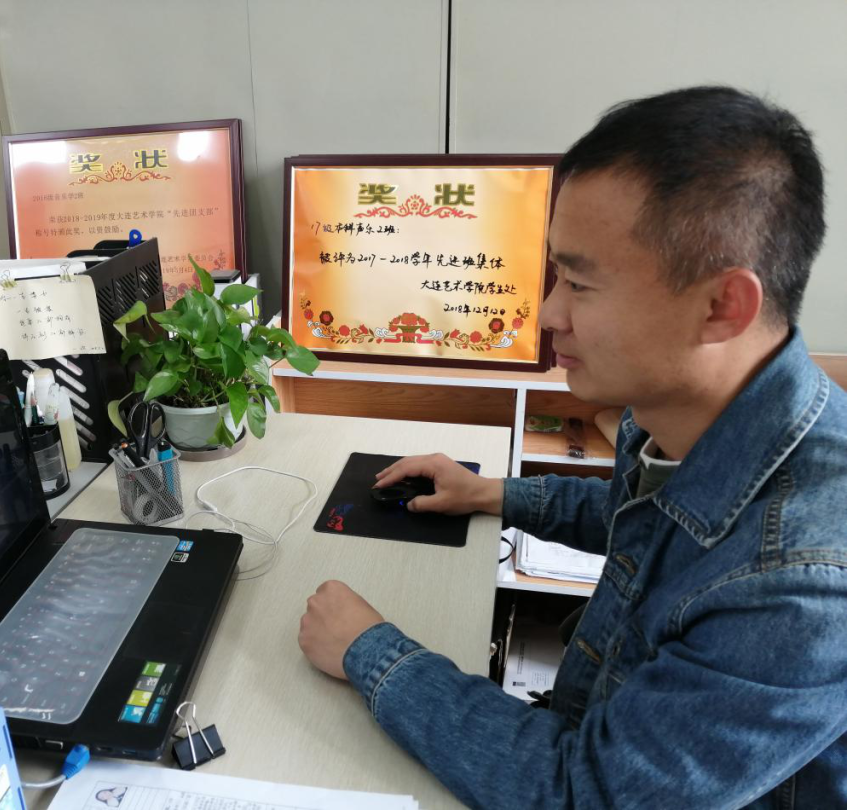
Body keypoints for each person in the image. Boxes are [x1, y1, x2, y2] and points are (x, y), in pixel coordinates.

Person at [297, 86, 847, 808]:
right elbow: (646, 519)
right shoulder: (677, 412)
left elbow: (585, 793)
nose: (549, 312)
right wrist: (491, 493)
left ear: (722, 306)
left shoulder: (801, 588)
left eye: (580, 283)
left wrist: (371, 653)